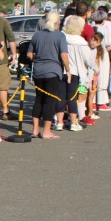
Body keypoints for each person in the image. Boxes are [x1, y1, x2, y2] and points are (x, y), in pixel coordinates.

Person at [27, 11, 69, 139]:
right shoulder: (60, 36)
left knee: (39, 99)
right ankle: (46, 131)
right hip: (53, 71)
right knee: (50, 101)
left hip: (38, 71)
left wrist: (37, 60)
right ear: (57, 22)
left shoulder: (37, 35)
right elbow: (64, 55)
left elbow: (29, 54)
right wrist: (68, 70)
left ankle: (35, 130)